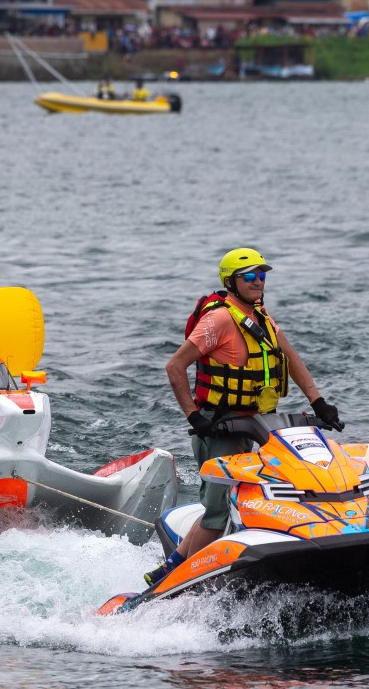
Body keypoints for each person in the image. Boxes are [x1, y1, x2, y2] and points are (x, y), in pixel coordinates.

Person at [145, 247, 344, 586]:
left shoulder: (261, 317)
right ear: (230, 281)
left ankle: (176, 567)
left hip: (259, 424)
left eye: (262, 275)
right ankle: (175, 581)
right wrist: (195, 418)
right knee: (217, 511)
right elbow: (175, 366)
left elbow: (291, 358)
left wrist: (319, 401)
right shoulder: (219, 319)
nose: (258, 281)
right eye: (249, 276)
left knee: (257, 496)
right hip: (219, 426)